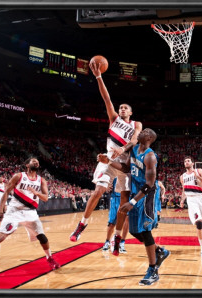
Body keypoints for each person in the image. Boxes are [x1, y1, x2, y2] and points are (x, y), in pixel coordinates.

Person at [70, 59, 143, 256]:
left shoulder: (136, 124)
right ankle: (81, 225)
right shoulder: (113, 119)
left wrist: (124, 148)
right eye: (120, 108)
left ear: (131, 112)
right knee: (98, 191)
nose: (122, 109)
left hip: (125, 165)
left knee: (123, 204)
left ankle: (118, 238)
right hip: (108, 161)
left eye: (125, 108)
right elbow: (106, 98)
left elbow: (135, 140)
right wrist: (99, 77)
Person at [98, 128, 170, 286]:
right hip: (135, 192)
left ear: (149, 137)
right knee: (133, 230)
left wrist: (132, 202)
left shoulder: (150, 156)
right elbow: (126, 168)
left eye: (144, 131)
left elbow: (150, 184)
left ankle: (153, 270)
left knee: (145, 230)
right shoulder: (135, 148)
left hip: (147, 195)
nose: (141, 132)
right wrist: (108, 161)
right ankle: (159, 251)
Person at [0, 157, 60, 281]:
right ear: (27, 165)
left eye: (37, 161)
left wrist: (36, 193)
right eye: (33, 161)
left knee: (42, 237)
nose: (36, 162)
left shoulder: (41, 180)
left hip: (31, 212)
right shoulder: (19, 176)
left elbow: (45, 198)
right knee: (0, 237)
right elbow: (6, 192)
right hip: (14, 211)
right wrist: (0, 210)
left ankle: (50, 259)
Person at [179, 157, 202, 258]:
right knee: (198, 222)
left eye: (188, 161)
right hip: (191, 200)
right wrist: (182, 200)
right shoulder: (182, 176)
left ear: (192, 163)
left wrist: (197, 177)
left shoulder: (199, 171)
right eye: (185, 161)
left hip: (201, 198)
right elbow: (184, 189)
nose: (186, 162)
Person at [102, 178, 129, 254]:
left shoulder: (131, 169)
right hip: (115, 198)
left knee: (126, 220)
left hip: (127, 198)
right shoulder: (114, 169)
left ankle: (122, 243)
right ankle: (107, 241)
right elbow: (105, 181)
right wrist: (107, 186)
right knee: (111, 223)